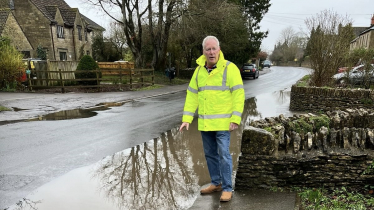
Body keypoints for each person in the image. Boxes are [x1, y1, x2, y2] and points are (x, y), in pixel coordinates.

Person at [179, 36, 245, 202]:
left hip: (223, 123)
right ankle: (216, 183)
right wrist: (187, 118)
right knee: (210, 155)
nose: (211, 52)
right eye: (208, 49)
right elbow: (192, 95)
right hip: (206, 123)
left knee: (224, 155)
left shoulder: (230, 68)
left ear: (219, 49)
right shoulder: (199, 70)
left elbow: (238, 94)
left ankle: (227, 188)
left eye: (214, 48)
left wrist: (236, 118)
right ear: (203, 51)